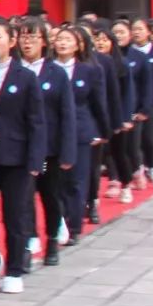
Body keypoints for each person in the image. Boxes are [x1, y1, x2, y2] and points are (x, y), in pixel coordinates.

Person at [0, 18, 45, 294]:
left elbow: (37, 122)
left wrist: (37, 160)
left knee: (15, 215)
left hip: (16, 156)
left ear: (12, 42)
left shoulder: (26, 77)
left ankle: (14, 270)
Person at [17, 17, 74, 267]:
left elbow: (67, 114)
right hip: (20, 146)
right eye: (23, 37)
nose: (27, 42)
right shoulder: (13, 70)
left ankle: (52, 239)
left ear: (44, 41)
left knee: (50, 195)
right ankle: (28, 241)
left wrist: (67, 152)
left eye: (33, 37)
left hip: (49, 148)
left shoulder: (56, 73)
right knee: (23, 198)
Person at [53, 25, 108, 245]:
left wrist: (102, 131)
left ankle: (74, 225)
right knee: (56, 183)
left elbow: (98, 103)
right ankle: (58, 222)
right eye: (60, 38)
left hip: (80, 131)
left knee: (77, 181)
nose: (63, 43)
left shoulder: (89, 70)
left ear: (78, 45)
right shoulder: (47, 68)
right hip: (53, 132)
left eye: (68, 39)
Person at [92, 25, 135, 208]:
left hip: (116, 114)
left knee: (119, 152)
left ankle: (126, 184)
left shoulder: (121, 64)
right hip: (97, 115)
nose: (101, 43)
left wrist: (124, 118)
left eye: (104, 39)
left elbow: (126, 94)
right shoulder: (92, 62)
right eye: (98, 39)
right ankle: (104, 187)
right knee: (101, 155)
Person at [113, 20, 151, 198]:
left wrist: (143, 109)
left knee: (130, 148)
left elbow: (146, 85)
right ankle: (119, 181)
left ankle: (136, 172)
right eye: (116, 32)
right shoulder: (104, 57)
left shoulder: (138, 57)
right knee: (113, 151)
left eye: (122, 32)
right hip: (110, 111)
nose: (119, 36)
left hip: (132, 110)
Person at [130, 19, 153, 188]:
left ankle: (152, 166)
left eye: (140, 29)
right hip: (133, 102)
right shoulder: (128, 53)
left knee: (149, 139)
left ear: (148, 32)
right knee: (134, 141)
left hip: (152, 102)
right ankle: (137, 170)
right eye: (134, 29)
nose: (136, 32)